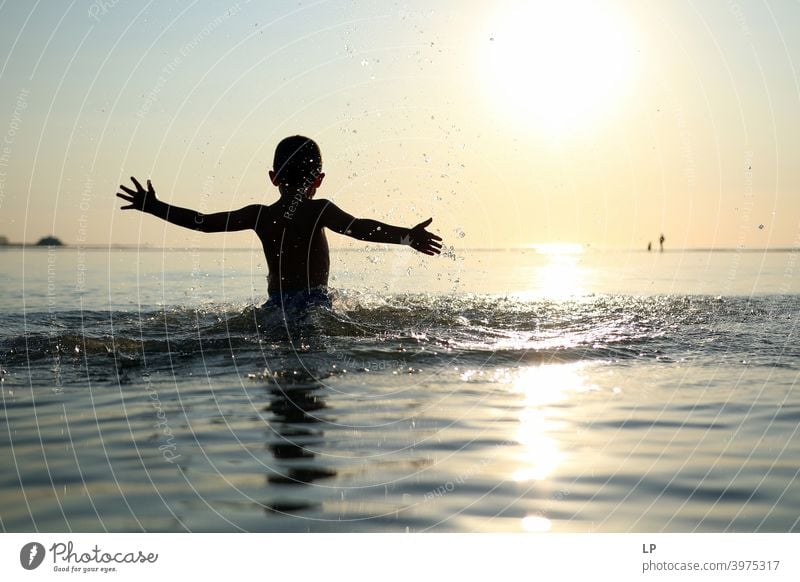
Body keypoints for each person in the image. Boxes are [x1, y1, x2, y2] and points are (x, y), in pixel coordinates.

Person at [116, 135, 442, 310]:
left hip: (275, 307)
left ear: (273, 178)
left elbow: (202, 223)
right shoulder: (319, 211)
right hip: (316, 304)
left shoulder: (260, 216)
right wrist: (407, 236)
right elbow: (362, 228)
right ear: (319, 180)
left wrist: (153, 207)